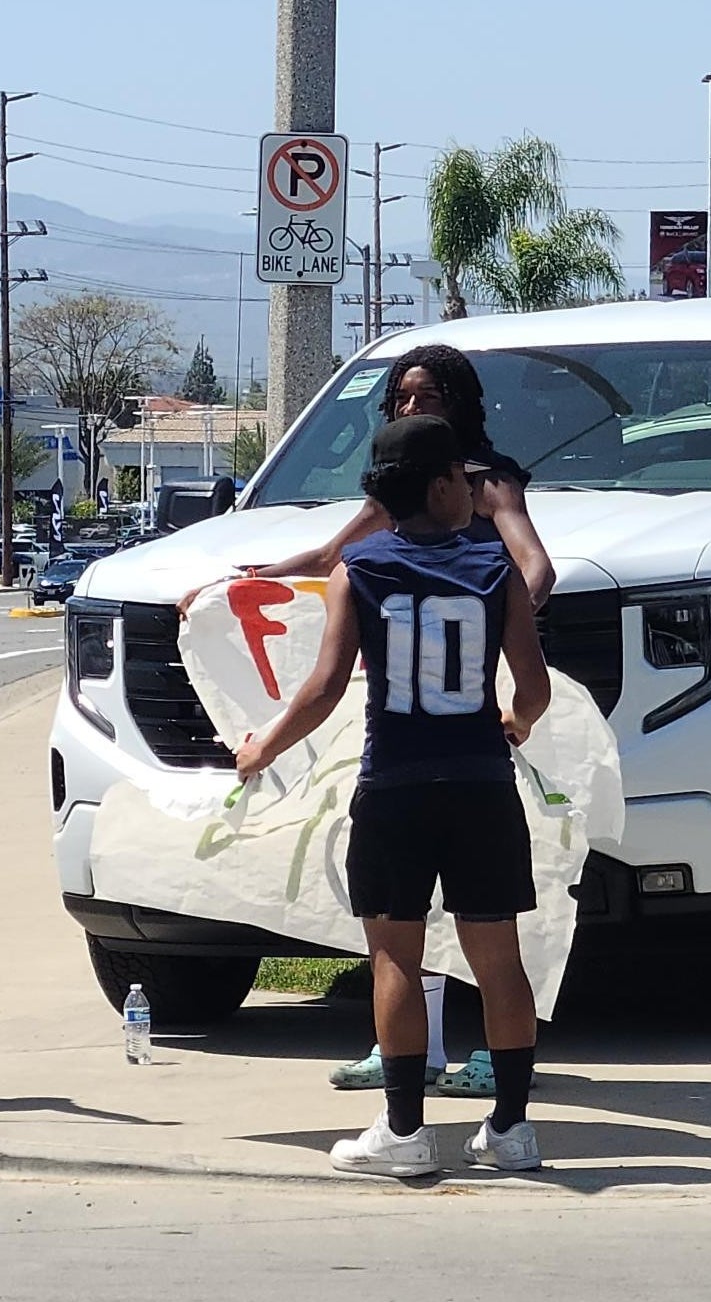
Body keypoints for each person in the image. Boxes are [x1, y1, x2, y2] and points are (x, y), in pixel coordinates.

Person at [234, 414, 550, 1177]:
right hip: (479, 783)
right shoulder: (493, 569)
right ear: (442, 485)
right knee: (498, 958)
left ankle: (405, 1133)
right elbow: (532, 688)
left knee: (395, 958)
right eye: (465, 482)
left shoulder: (362, 569)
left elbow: (323, 687)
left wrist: (260, 748)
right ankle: (510, 1129)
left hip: (396, 785)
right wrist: (515, 721)